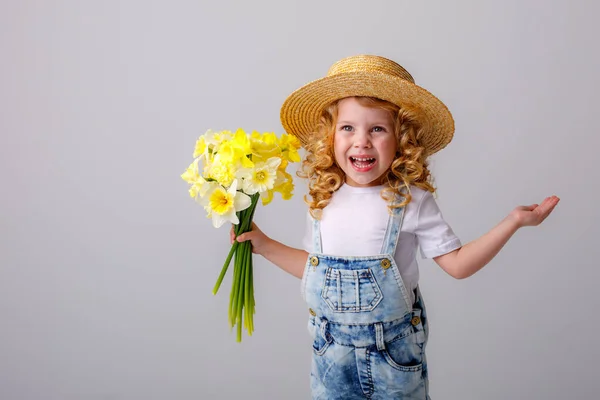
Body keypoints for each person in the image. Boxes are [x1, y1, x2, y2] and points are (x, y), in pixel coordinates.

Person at [230, 55, 559, 399]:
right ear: (329, 137)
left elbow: (459, 265)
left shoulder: (410, 201)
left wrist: (514, 222)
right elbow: (317, 269)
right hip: (330, 355)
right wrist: (264, 245)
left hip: (393, 356)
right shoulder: (323, 199)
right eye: (348, 128)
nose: (361, 141)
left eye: (377, 129)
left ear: (401, 140)